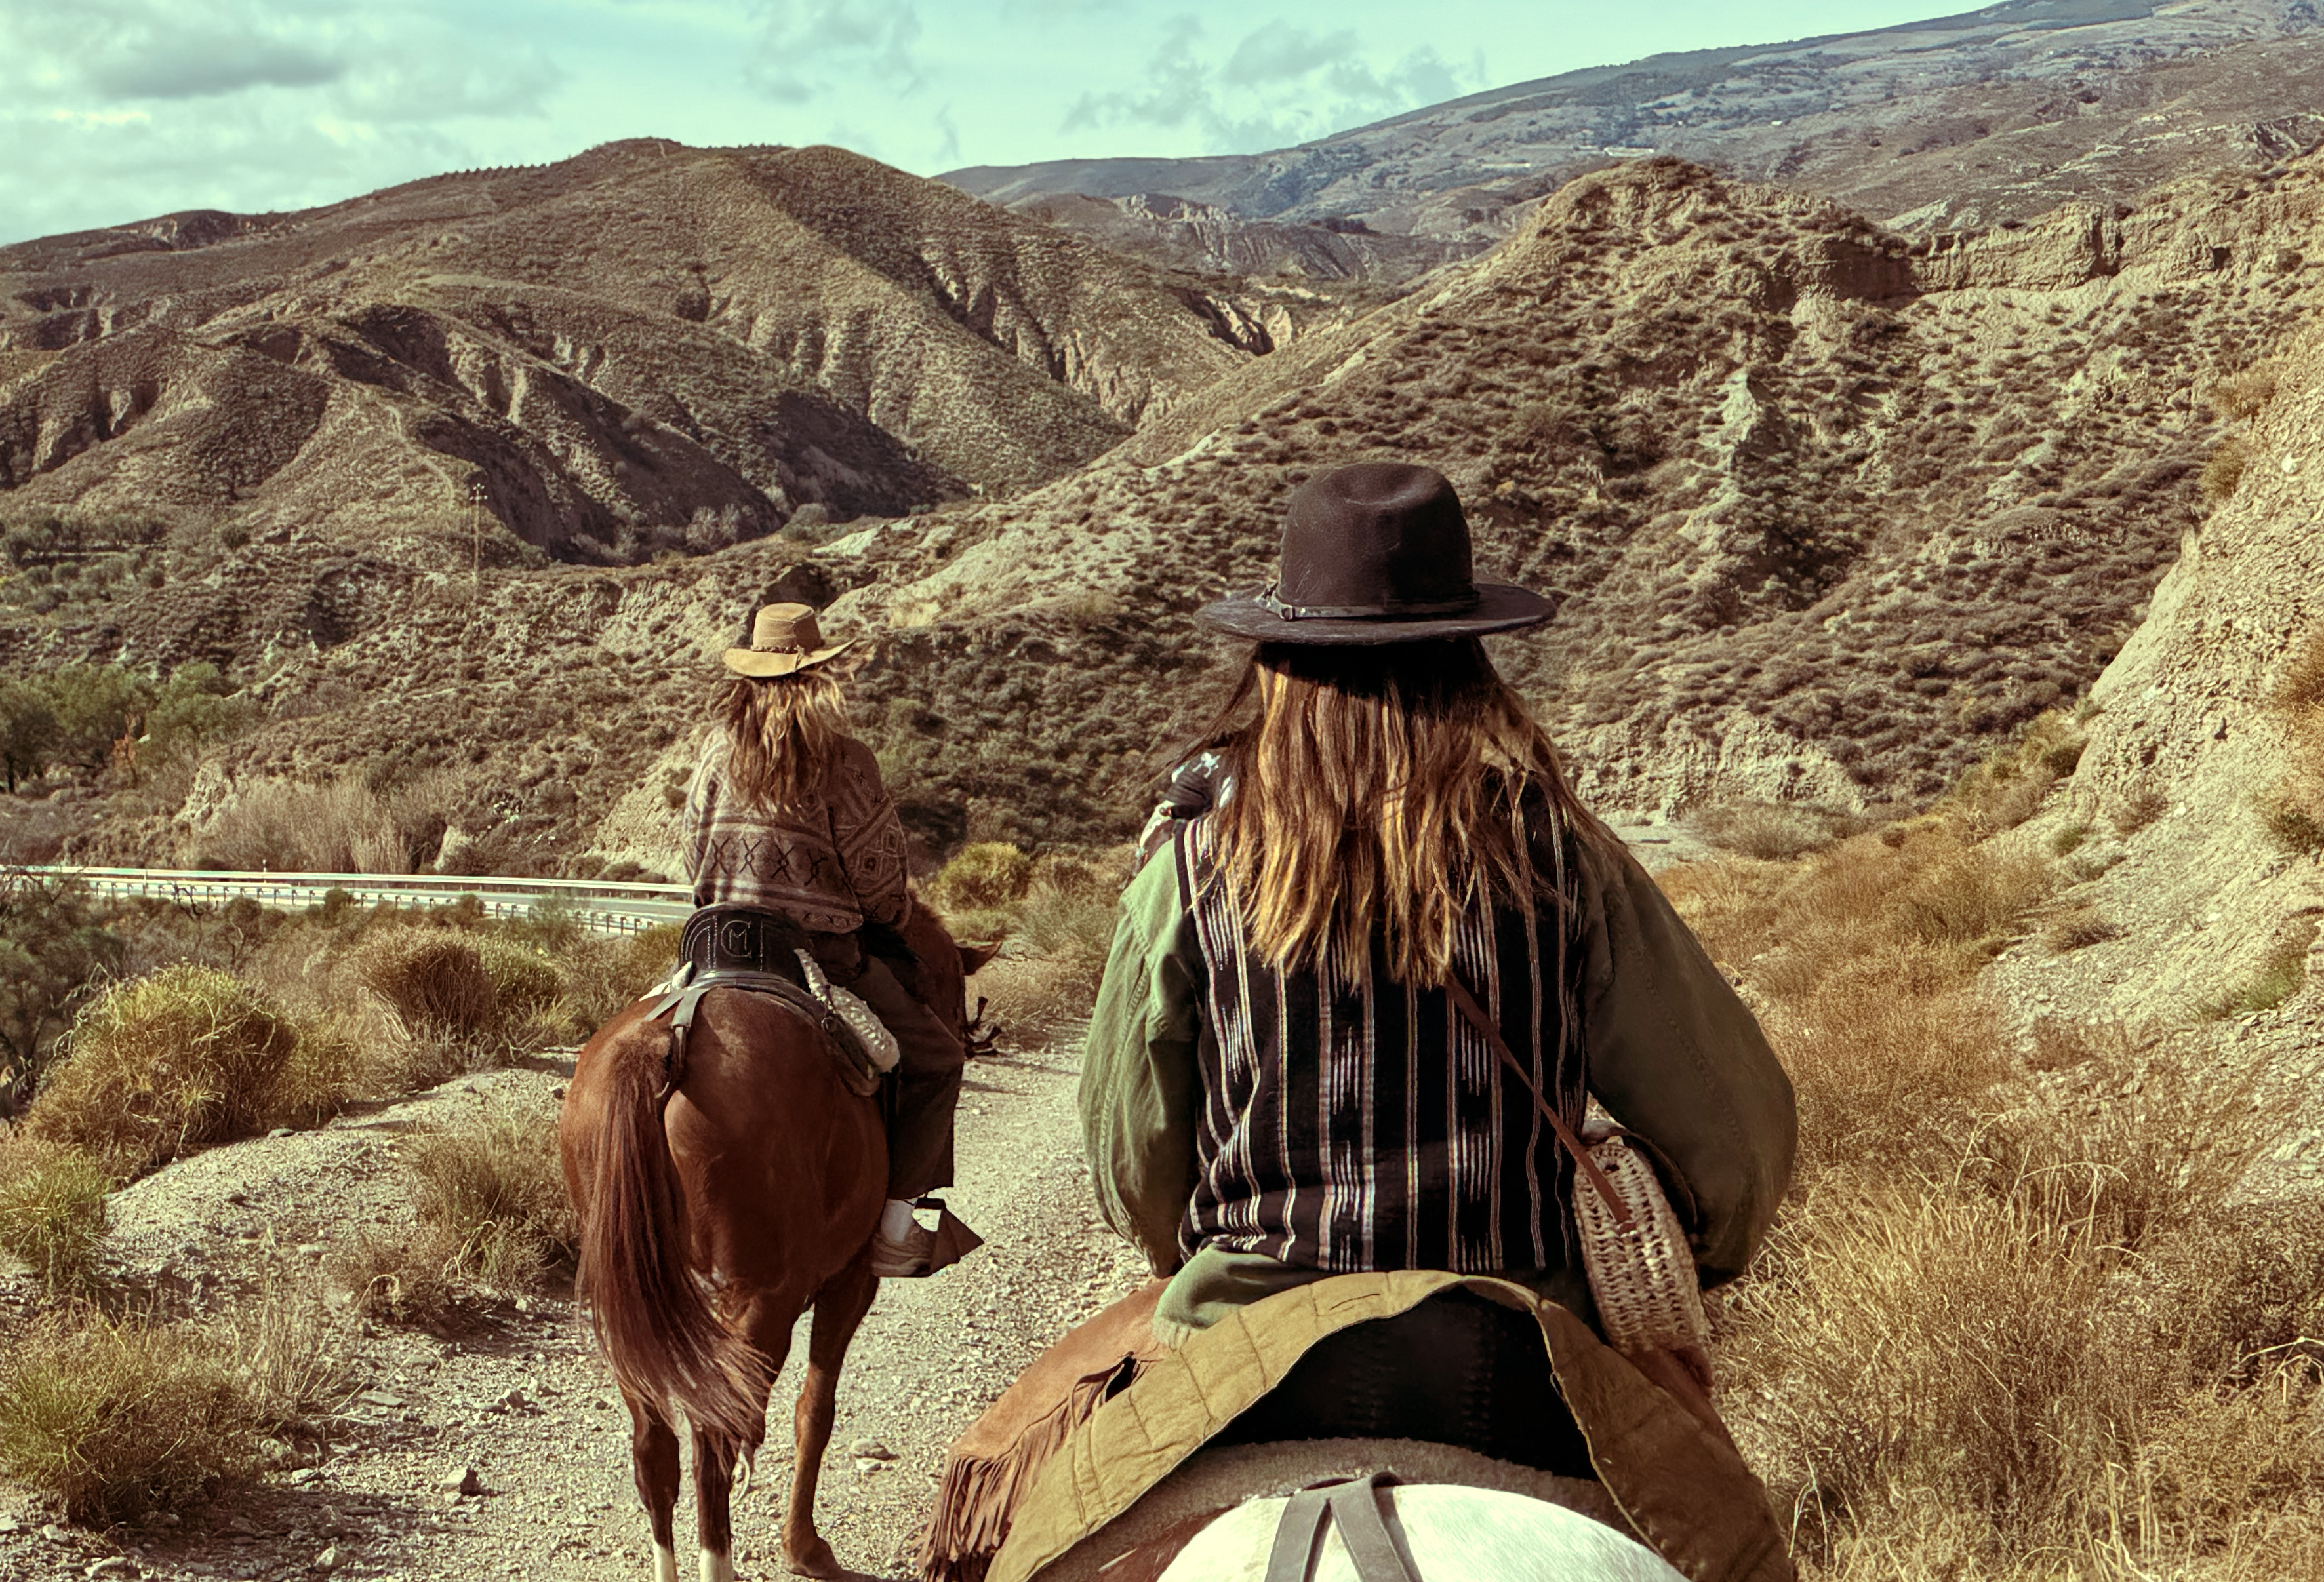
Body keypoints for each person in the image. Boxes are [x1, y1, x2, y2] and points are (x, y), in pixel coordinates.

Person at [1079, 456, 1796, 1414]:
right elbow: (1734, 1135)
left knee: (1030, 1519)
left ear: (1280, 663)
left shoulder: (1189, 867)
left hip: (1243, 1341)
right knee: (1728, 1550)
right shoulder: (1564, 854)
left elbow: (1132, 1153)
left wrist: (1193, 1249)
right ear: (1471, 656)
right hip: (1522, 1338)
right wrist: (1685, 1257)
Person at [683, 600, 969, 1276]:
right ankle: (897, 1230)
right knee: (938, 1060)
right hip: (819, 957)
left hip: (715, 948)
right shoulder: (845, 762)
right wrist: (889, 917)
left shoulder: (714, 753)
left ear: (750, 678)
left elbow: (691, 853)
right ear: (818, 678)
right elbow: (878, 885)